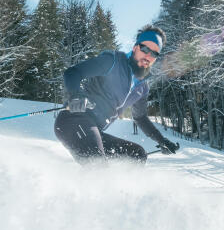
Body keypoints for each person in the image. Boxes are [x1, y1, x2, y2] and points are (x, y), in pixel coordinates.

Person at [54, 24, 180, 164]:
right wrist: (76, 95)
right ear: (135, 48)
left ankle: (120, 186)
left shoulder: (142, 87)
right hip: (73, 120)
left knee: (138, 155)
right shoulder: (112, 61)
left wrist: (162, 140)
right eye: (145, 49)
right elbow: (73, 73)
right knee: (98, 165)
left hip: (95, 130)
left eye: (154, 53)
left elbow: (140, 117)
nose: (148, 56)